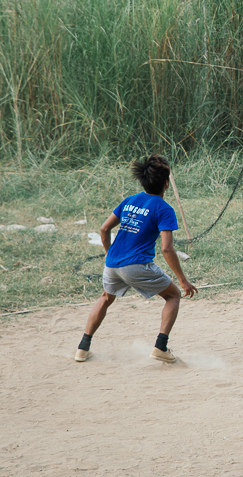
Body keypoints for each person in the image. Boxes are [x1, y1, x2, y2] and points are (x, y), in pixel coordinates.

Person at [74, 154, 197, 363]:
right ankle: (161, 347)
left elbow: (104, 229)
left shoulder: (130, 200)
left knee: (106, 297)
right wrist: (183, 280)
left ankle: (82, 349)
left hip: (112, 263)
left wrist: (110, 253)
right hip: (136, 265)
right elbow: (167, 249)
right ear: (166, 183)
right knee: (174, 296)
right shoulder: (164, 209)